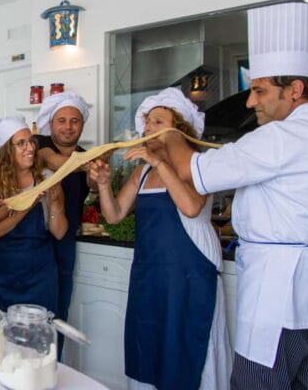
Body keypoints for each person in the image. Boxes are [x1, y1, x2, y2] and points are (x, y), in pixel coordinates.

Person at [162, 2, 308, 389]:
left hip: (281, 290)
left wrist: (169, 133)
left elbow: (195, 171)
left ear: (295, 90)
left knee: (258, 382)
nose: (251, 101)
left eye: (259, 91)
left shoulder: (282, 135)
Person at [88, 87, 230, 389]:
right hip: (150, 275)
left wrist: (159, 163)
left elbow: (191, 207)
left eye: (158, 122)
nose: (148, 129)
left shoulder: (197, 165)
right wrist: (103, 185)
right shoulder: (140, 173)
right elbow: (114, 215)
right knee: (149, 345)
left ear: (180, 129)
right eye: (148, 122)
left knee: (187, 346)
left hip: (190, 274)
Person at [0, 115, 67, 313]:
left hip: (39, 273)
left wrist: (56, 200)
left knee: (37, 335)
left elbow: (58, 232)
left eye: (31, 142)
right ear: (6, 151)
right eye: (21, 143)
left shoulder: (46, 177)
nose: (31, 148)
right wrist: (27, 202)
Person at [34, 91, 95, 357]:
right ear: (51, 123)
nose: (68, 126)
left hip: (65, 241)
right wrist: (92, 163)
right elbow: (53, 162)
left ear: (82, 125)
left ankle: (51, 367)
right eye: (62, 120)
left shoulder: (86, 156)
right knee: (29, 308)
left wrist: (97, 177)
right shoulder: (40, 143)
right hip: (32, 238)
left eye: (75, 121)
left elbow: (95, 190)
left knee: (57, 311)